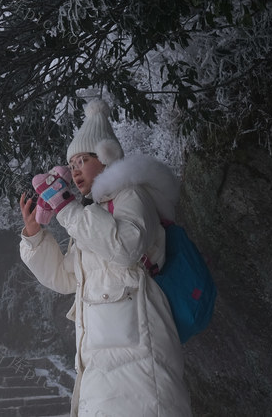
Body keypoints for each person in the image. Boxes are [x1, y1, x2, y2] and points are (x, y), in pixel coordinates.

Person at [18, 100, 191, 416]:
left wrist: (66, 208)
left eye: (82, 160)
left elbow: (126, 249)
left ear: (107, 157)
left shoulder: (132, 196)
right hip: (98, 371)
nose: (74, 170)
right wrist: (34, 237)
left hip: (141, 371)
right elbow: (65, 277)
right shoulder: (90, 217)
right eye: (71, 164)